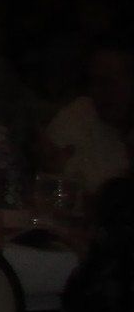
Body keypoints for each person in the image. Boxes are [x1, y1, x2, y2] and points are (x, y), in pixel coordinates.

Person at [42, 45, 133, 202]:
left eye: (108, 82)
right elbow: (51, 187)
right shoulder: (78, 116)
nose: (98, 92)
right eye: (93, 82)